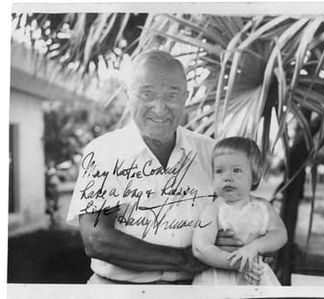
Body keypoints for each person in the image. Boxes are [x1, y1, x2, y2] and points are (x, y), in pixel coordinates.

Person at [66, 50, 245, 284]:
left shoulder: (211, 153)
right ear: (127, 95)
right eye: (147, 94)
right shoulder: (102, 153)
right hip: (117, 293)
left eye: (172, 96)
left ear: (185, 97)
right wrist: (186, 258)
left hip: (196, 289)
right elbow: (97, 239)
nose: (160, 108)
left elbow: (236, 216)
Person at [192, 137, 287, 285]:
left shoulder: (263, 207)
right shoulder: (213, 210)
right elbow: (201, 248)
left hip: (256, 276)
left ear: (255, 175)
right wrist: (238, 264)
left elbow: (280, 234)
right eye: (219, 171)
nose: (227, 177)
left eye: (236, 170)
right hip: (219, 280)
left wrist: (255, 247)